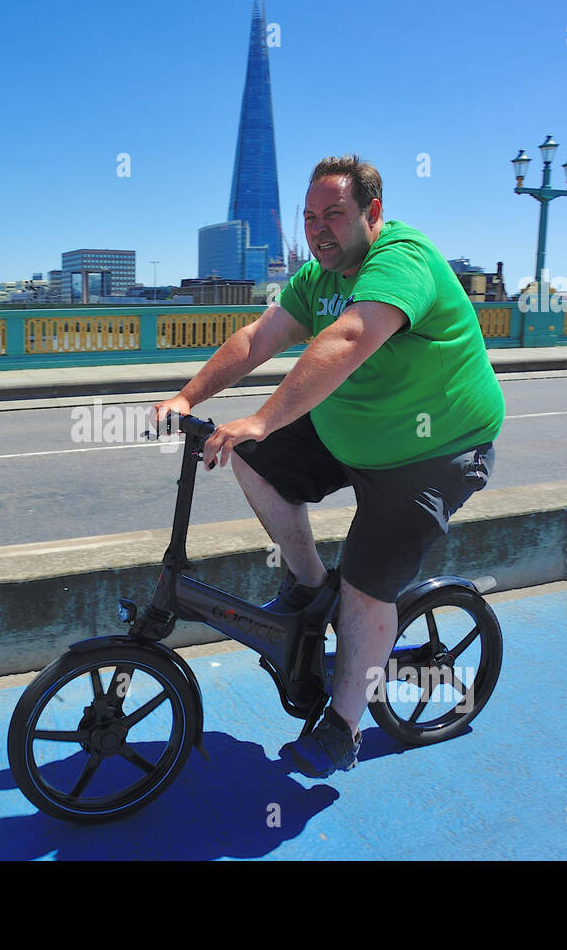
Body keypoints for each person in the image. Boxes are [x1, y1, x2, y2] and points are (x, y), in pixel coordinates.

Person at [152, 154, 504, 778]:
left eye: (334, 215)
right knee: (252, 458)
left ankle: (343, 726)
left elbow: (347, 338)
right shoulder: (317, 278)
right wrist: (189, 396)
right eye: (310, 217)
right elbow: (259, 337)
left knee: (369, 586)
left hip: (434, 451)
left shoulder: (402, 260)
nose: (319, 229)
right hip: (356, 432)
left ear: (371, 213)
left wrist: (261, 415)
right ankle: (313, 587)